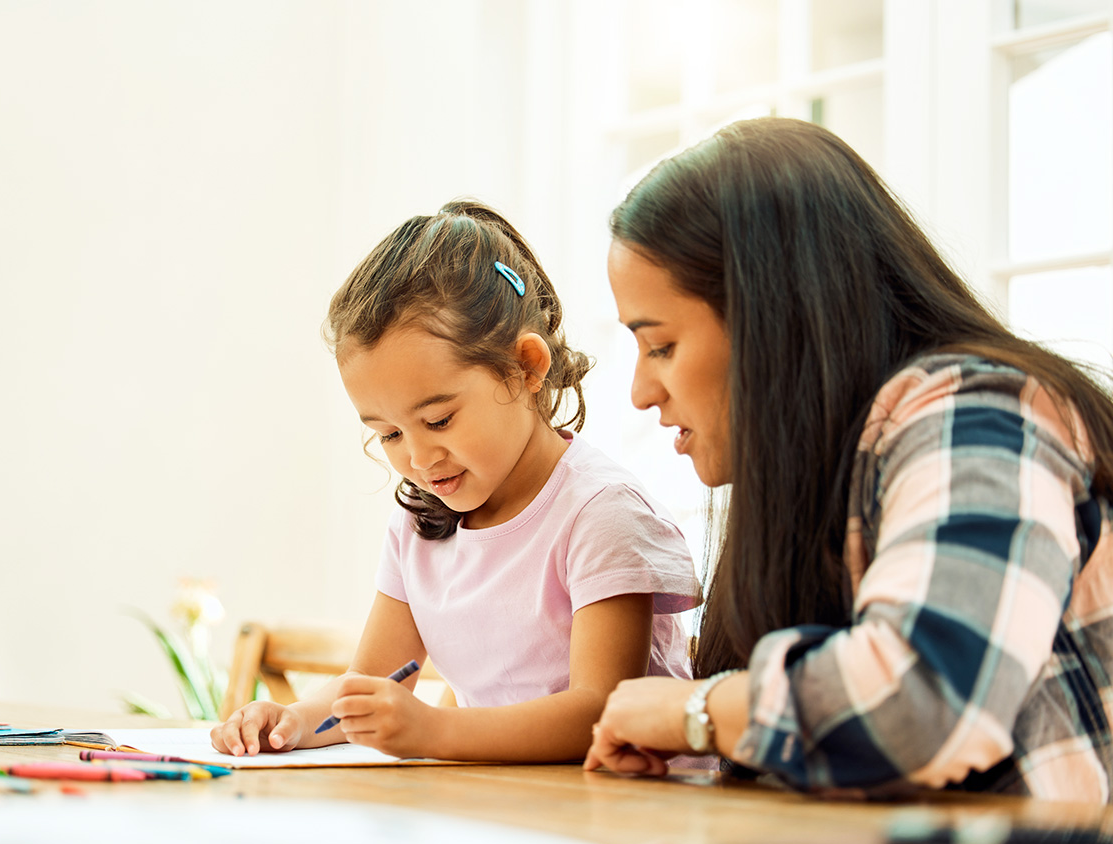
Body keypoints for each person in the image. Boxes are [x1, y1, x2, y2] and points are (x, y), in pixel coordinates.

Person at [583, 116, 1113, 803]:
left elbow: (926, 700)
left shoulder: (979, 415)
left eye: (660, 346)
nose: (641, 392)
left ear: (773, 319)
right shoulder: (821, 477)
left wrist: (697, 712)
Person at [212, 199, 701, 763]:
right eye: (389, 434)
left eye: (438, 420)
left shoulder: (600, 513)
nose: (418, 458)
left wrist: (435, 731)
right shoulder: (420, 523)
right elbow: (371, 682)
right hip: (509, 805)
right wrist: (290, 722)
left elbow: (601, 711)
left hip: (633, 814)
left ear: (526, 367)